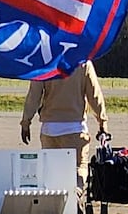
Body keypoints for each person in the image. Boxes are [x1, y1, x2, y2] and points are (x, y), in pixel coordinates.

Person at [21, 60, 109, 198]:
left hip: (49, 128)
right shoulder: (83, 63)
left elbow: (34, 95)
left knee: (52, 170)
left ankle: (55, 204)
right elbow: (94, 95)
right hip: (75, 127)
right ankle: (77, 193)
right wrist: (102, 122)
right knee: (79, 167)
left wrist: (26, 122)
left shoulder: (45, 61)